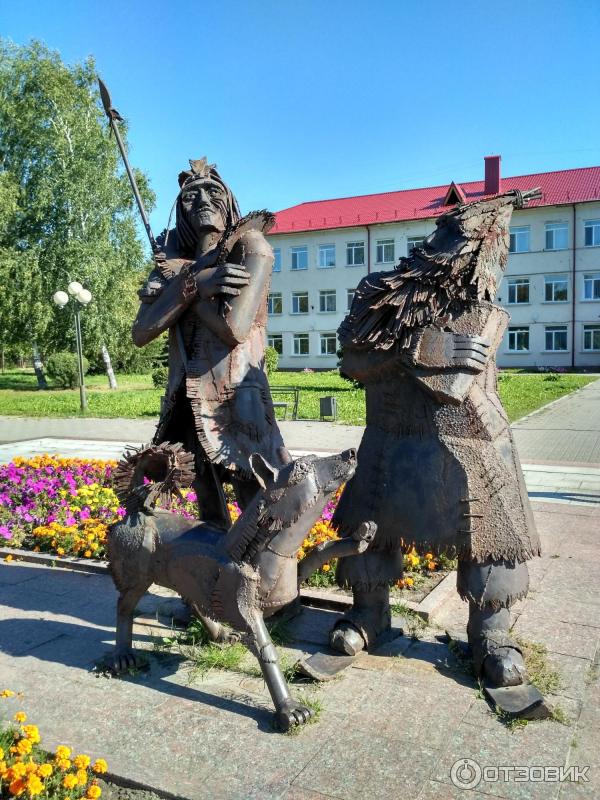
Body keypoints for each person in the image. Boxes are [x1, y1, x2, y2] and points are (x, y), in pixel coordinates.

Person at [331, 189, 542, 692]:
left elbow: (454, 386)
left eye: (494, 243)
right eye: (468, 234)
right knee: (368, 522)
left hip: (471, 441)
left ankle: (490, 634)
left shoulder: (483, 310)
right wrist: (418, 348)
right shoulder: (377, 291)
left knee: (492, 533)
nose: (482, 251)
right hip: (391, 433)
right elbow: (352, 360)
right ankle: (369, 614)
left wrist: (421, 355)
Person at [132, 157, 288, 529]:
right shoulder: (172, 265)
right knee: (209, 508)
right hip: (185, 403)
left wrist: (182, 291)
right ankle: (215, 566)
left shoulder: (251, 247)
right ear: (181, 211)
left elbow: (232, 329)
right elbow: (141, 332)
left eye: (213, 191)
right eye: (191, 196)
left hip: (238, 403)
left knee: (258, 503)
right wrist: (195, 284)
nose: (203, 201)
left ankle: (269, 570)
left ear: (229, 201)